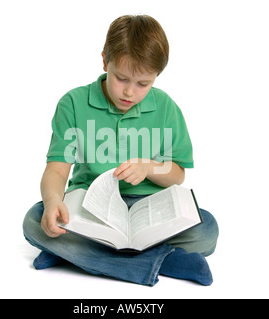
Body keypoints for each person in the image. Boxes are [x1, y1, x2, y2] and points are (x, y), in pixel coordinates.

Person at [23, 15, 219, 286]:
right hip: (91, 207)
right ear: (105, 61)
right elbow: (57, 168)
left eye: (143, 84)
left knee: (207, 229)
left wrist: (150, 167)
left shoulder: (167, 108)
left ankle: (75, 255)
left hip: (150, 212)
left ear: (156, 77)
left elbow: (177, 175)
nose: (130, 92)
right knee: (35, 220)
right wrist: (54, 200)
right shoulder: (73, 103)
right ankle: (164, 261)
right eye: (121, 78)